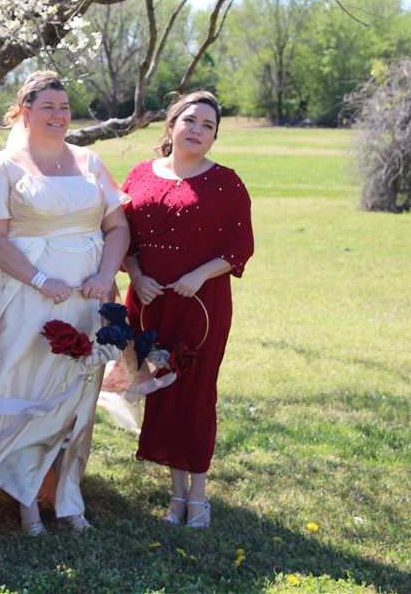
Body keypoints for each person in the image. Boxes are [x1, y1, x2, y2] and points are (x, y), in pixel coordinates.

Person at [0, 71, 130, 539]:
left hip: (88, 296)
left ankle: (66, 494)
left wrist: (104, 275)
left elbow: (117, 227)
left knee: (75, 393)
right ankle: (23, 499)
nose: (59, 115)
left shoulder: (90, 161)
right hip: (26, 294)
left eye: (64, 107)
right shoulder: (4, 166)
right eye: (48, 107)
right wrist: (39, 279)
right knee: (17, 390)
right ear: (24, 113)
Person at [121, 91, 254, 529]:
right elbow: (121, 238)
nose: (197, 130)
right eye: (190, 121)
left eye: (208, 126)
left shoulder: (227, 183)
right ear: (172, 124)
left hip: (200, 307)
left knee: (194, 394)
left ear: (214, 137)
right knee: (161, 391)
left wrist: (199, 274)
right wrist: (137, 275)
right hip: (148, 303)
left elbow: (239, 248)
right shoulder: (139, 175)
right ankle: (176, 495)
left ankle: (198, 496)